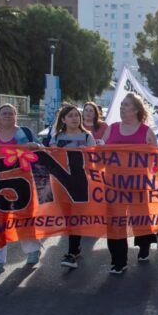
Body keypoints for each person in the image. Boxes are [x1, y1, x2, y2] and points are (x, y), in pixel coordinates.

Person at [0, 103, 42, 277]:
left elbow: (42, 152)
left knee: (24, 218)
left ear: (16, 116)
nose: (8, 115)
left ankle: (32, 250)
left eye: (11, 113)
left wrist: (34, 146)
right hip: (0, 187)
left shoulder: (24, 133)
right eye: (4, 113)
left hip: (22, 184)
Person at [103, 92, 158, 274]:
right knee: (115, 223)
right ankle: (118, 261)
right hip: (113, 185)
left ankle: (144, 245)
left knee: (140, 220)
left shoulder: (146, 132)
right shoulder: (111, 128)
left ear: (135, 109)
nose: (122, 108)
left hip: (137, 185)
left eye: (126, 105)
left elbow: (156, 159)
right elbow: (98, 152)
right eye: (121, 105)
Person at [50, 104, 97, 269]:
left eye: (77, 115)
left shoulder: (87, 137)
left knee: (76, 217)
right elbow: (50, 157)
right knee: (68, 217)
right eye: (70, 115)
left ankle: (71, 253)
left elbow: (96, 161)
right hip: (61, 182)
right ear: (63, 119)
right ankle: (75, 248)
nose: (74, 118)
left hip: (81, 181)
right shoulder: (57, 137)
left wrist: (88, 153)